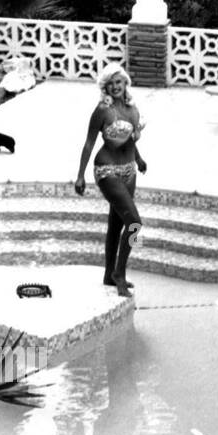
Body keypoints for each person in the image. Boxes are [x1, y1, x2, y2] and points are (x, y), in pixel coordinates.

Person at [74, 64, 146, 295]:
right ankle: (120, 274)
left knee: (116, 225)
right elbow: (89, 142)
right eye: (110, 83)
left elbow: (130, 140)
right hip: (107, 170)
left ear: (126, 83)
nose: (115, 87)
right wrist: (80, 175)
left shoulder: (132, 109)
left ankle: (108, 274)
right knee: (135, 223)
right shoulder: (102, 111)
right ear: (105, 87)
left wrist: (140, 159)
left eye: (119, 82)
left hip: (129, 170)